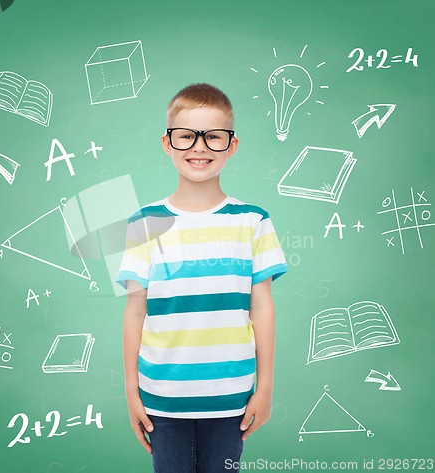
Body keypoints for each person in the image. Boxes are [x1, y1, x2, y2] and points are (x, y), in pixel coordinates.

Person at [116, 83, 287, 473]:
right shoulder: (143, 223)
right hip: (162, 397)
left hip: (232, 397)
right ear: (167, 143)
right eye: (186, 136)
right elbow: (135, 313)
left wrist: (266, 387)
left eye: (213, 136)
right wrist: (131, 391)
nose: (200, 147)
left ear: (232, 145)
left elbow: (261, 308)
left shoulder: (253, 220)